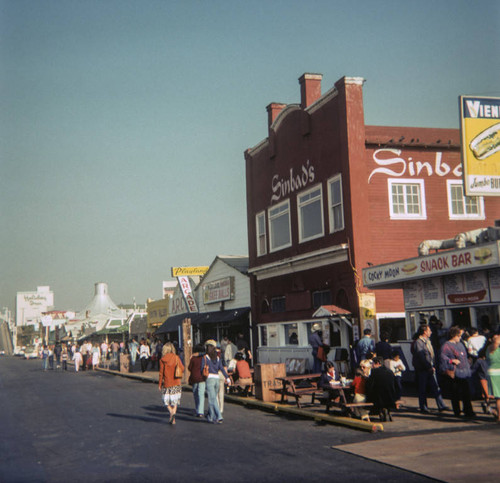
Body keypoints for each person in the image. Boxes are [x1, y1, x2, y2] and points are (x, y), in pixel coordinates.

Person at [412, 324, 448, 413]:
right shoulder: (419, 342)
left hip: (431, 367)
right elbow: (421, 356)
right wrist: (428, 366)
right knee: (423, 388)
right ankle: (423, 407)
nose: (431, 332)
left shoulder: (428, 341)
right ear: (424, 332)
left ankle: (441, 405)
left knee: (436, 387)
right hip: (423, 369)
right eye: (429, 330)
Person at [440, 326, 474, 418]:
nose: (460, 338)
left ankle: (468, 411)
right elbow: (443, 358)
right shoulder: (446, 345)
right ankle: (457, 411)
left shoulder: (460, 344)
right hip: (454, 372)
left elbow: (465, 355)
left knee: (466, 393)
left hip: (464, 371)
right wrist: (451, 361)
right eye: (458, 336)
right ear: (453, 335)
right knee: (455, 393)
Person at [201, 340, 231, 424]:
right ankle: (211, 416)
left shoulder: (205, 358)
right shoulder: (217, 358)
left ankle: (218, 416)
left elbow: (201, 369)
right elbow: (221, 368)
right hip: (217, 379)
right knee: (213, 398)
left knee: (212, 399)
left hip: (209, 379)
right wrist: (227, 378)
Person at [158, 342, 184, 425]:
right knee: (175, 401)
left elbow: (161, 373)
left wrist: (159, 384)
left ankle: (171, 413)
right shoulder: (176, 357)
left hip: (167, 382)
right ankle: (173, 416)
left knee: (166, 401)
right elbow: (182, 368)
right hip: (176, 382)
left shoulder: (162, 360)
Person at [366, 357, 398, 421]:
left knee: (372, 394)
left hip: (379, 398)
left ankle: (379, 411)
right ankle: (386, 410)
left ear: (377, 363)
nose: (371, 366)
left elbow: (370, 385)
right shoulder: (390, 371)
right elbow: (396, 384)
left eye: (372, 364)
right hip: (391, 396)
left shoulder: (374, 371)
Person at [188, 344, 206, 417]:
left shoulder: (193, 359)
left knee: (196, 395)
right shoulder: (204, 358)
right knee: (201, 394)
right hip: (202, 378)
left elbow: (189, 368)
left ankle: (197, 409)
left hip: (194, 378)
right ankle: (201, 412)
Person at [473, 347, 491, 414]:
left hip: (490, 377)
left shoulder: (490, 359)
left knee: (488, 394)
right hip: (482, 378)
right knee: (486, 394)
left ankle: (486, 405)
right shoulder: (479, 361)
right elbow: (474, 369)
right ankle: (487, 406)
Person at [486, 333, 500, 423]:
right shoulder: (495, 349)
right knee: (499, 397)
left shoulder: (492, 349)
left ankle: (498, 414)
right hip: (497, 373)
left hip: (494, 372)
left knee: (498, 397)